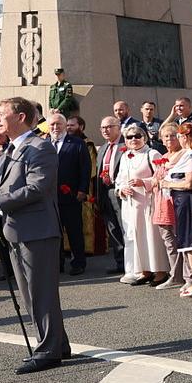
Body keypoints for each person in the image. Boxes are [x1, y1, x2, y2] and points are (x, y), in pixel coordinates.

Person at [0, 98, 71, 373]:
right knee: (31, 292)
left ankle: (48, 351)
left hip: (37, 230)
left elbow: (37, 188)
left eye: (2, 114)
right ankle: (58, 344)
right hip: (15, 229)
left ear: (21, 116)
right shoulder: (8, 150)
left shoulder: (40, 147)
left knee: (40, 292)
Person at [114, 120, 169, 286]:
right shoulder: (125, 156)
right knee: (136, 237)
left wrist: (143, 182)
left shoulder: (152, 154)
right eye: (129, 137)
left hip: (148, 202)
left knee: (151, 237)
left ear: (144, 137)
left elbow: (161, 177)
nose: (133, 139)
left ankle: (160, 271)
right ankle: (144, 270)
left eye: (137, 136)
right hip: (131, 204)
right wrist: (122, 189)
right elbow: (119, 179)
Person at [165, 123, 192, 298]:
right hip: (180, 201)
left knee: (191, 243)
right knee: (186, 244)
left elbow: (190, 183)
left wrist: (168, 183)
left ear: (184, 137)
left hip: (188, 200)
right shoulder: (186, 154)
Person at [151, 122, 189, 290]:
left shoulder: (184, 154)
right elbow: (154, 179)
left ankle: (186, 275)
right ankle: (175, 274)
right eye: (166, 136)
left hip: (175, 201)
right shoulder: (164, 156)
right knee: (168, 241)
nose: (169, 139)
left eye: (173, 135)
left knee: (180, 239)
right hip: (161, 202)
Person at [55, 113, 91, 275]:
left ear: (65, 126)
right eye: (52, 125)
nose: (55, 128)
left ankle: (78, 263)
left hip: (71, 196)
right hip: (50, 198)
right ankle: (57, 263)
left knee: (74, 231)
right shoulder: (44, 143)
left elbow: (85, 168)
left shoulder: (77, 143)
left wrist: (82, 190)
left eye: (59, 124)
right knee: (55, 233)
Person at [94, 115, 127, 275]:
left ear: (118, 127)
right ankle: (120, 262)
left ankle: (132, 263)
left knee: (125, 227)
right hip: (105, 193)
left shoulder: (126, 144)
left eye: (109, 127)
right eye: (103, 128)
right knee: (113, 229)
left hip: (121, 192)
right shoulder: (103, 149)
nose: (105, 130)